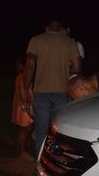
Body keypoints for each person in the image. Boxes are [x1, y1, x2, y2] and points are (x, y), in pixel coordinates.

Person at [21, 20, 81, 158]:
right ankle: (55, 163)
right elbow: (77, 68)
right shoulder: (69, 42)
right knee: (59, 131)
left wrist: (25, 89)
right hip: (62, 93)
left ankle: (39, 162)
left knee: (41, 130)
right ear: (61, 28)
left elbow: (29, 66)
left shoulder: (36, 40)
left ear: (46, 27)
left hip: (40, 92)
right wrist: (64, 71)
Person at [11, 56, 33, 160]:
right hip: (23, 107)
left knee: (26, 129)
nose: (18, 67)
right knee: (24, 130)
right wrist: (27, 106)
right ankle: (22, 152)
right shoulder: (22, 76)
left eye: (19, 65)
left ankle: (21, 149)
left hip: (23, 106)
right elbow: (23, 93)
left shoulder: (23, 76)